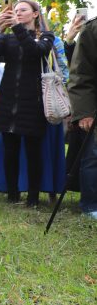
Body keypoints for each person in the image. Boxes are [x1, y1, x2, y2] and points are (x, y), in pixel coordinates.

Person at [0, 0, 55, 208]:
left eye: (23, 10)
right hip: (7, 102)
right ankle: (12, 194)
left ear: (35, 14)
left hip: (33, 103)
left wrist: (16, 27)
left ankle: (33, 198)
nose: (18, 13)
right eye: (15, 10)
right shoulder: (8, 39)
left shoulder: (46, 36)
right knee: (10, 150)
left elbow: (34, 52)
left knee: (33, 152)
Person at [68, 15, 97, 219]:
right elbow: (80, 74)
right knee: (94, 155)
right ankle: (91, 206)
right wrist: (84, 111)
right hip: (94, 108)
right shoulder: (92, 28)